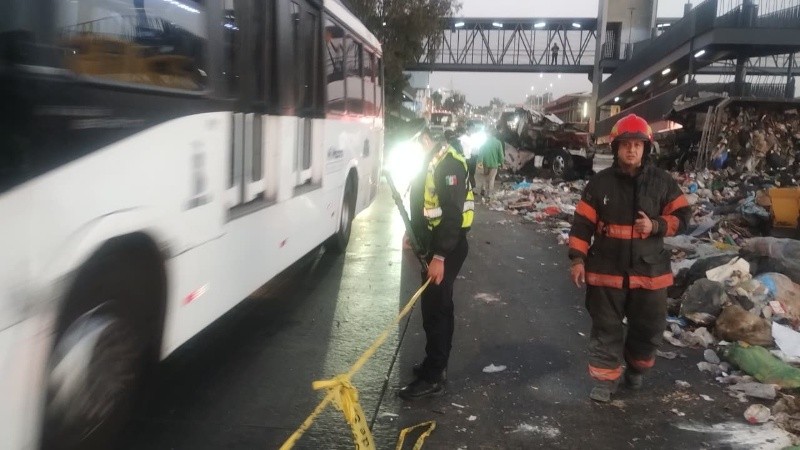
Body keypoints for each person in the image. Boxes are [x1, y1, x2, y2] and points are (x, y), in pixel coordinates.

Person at [567, 114, 691, 403]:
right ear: (615, 149)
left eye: (637, 144)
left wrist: (657, 226)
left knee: (648, 330)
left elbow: (683, 216)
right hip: (606, 272)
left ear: (646, 149)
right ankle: (604, 382)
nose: (631, 150)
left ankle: (635, 371)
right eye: (625, 145)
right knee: (606, 328)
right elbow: (582, 225)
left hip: (650, 275)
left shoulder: (662, 182)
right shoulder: (599, 184)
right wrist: (577, 260)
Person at [399, 128, 474, 400]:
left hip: (448, 247)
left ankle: (434, 377)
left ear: (427, 140)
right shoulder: (431, 162)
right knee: (431, 307)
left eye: (417, 143)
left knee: (438, 308)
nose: (417, 148)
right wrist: (413, 233)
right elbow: (422, 203)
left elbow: (453, 215)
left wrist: (440, 256)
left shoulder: (449, 165)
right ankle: (433, 364)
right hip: (432, 242)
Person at [476, 131, 504, 199]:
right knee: (491, 179)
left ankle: (484, 189)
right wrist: (502, 163)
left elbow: (480, 154)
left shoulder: (485, 143)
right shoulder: (498, 143)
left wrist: (479, 165)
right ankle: (489, 194)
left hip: (486, 163)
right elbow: (501, 155)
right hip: (494, 164)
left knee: (485, 177)